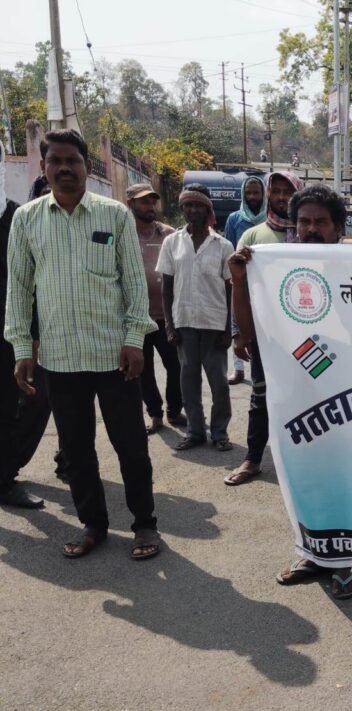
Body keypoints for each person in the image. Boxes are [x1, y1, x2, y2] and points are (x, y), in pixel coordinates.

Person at [5, 129, 161, 559]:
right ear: (44, 168)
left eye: (71, 160)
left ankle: (145, 525)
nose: (64, 168)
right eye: (54, 161)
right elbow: (19, 289)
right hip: (59, 359)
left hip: (114, 356)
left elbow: (133, 283)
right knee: (76, 451)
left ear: (86, 167)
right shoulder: (27, 219)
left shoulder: (114, 215)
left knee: (131, 446)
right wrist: (22, 349)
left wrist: (134, 339)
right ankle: (93, 525)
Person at [228, 184, 352, 599]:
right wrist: (239, 281)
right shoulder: (275, 269)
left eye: (321, 222)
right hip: (293, 394)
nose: (311, 229)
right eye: (304, 221)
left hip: (343, 395)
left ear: (338, 228)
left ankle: (342, 561)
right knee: (301, 477)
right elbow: (249, 331)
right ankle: (312, 552)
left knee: (339, 479)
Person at [225, 172, 301, 485]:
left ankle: (304, 462)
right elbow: (240, 287)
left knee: (305, 397)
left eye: (288, 191)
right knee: (261, 396)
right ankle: (253, 458)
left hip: (306, 336)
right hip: (267, 335)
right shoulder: (253, 237)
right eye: (277, 191)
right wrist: (238, 332)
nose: (282, 197)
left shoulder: (310, 235)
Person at [157, 184, 234, 452]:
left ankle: (220, 433)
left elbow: (230, 289)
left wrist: (228, 329)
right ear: (183, 208)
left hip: (214, 324)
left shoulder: (223, 245)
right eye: (188, 205)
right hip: (184, 323)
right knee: (188, 383)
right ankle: (195, 432)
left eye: (198, 205)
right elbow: (167, 287)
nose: (193, 210)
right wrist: (169, 325)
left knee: (220, 384)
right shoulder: (172, 243)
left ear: (207, 208)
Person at [0, 142, 48, 509]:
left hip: (11, 333)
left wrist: (30, 335)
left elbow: (29, 281)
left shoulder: (17, 218)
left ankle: (5, 477)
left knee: (26, 403)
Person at [127, 183, 183, 436]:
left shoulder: (168, 234)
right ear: (131, 204)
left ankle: (174, 411)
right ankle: (155, 414)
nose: (150, 206)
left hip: (167, 315)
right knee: (143, 370)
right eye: (144, 202)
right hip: (136, 317)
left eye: (152, 201)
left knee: (176, 365)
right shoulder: (123, 233)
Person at [223, 175, 267, 385]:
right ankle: (239, 370)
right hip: (242, 279)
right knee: (238, 324)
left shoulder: (271, 218)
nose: (252, 197)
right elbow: (230, 247)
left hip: (265, 282)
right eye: (248, 193)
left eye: (256, 192)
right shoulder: (234, 219)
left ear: (263, 194)